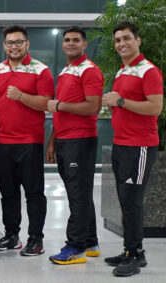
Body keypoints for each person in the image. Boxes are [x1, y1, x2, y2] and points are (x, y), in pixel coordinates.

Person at [101, 21, 163, 277]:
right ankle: (129, 251)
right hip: (121, 144)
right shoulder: (123, 71)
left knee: (132, 202)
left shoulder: (149, 71)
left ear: (138, 41)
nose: (121, 44)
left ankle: (137, 254)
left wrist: (121, 101)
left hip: (139, 146)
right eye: (117, 40)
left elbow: (155, 108)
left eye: (126, 38)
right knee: (126, 201)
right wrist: (113, 104)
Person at [0, 25, 54, 256]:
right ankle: (11, 235)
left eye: (18, 42)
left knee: (34, 193)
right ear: (4, 45)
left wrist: (21, 96)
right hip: (3, 141)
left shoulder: (41, 70)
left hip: (30, 141)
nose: (13, 46)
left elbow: (46, 103)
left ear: (27, 44)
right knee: (8, 193)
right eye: (9, 43)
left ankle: (36, 238)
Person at [46, 26, 103, 265]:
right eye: (67, 40)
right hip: (65, 139)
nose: (70, 43)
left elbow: (92, 107)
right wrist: (53, 141)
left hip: (80, 140)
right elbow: (62, 110)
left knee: (78, 196)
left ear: (84, 44)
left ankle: (75, 247)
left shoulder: (89, 71)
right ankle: (90, 242)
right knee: (79, 193)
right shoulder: (68, 69)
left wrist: (59, 106)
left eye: (75, 40)